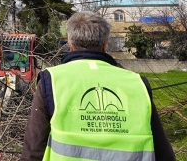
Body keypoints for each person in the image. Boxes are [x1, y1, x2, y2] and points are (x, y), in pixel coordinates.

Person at [20, 11, 175, 161]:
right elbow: (164, 154)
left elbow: (33, 151)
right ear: (105, 45)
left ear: (70, 43)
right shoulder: (137, 83)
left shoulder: (52, 80)